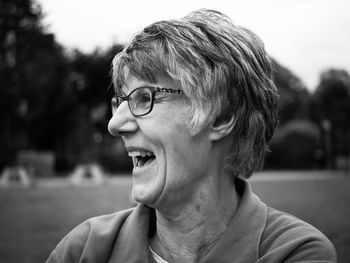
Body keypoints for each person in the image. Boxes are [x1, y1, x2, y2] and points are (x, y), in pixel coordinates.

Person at [46, 9, 336, 263]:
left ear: (222, 116)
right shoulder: (82, 249)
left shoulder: (295, 252)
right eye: (120, 101)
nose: (115, 123)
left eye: (144, 97)